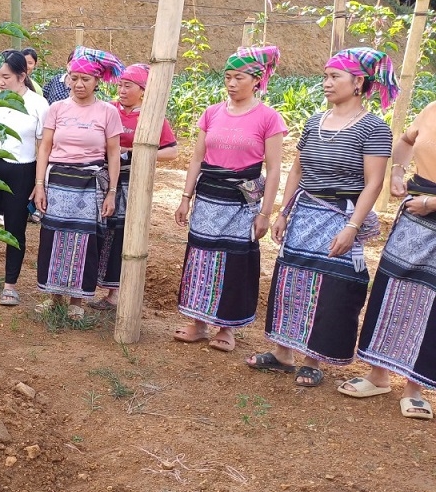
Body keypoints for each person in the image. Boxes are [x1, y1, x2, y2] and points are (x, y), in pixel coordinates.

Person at [248, 47, 396, 387]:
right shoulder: (315, 122)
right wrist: (284, 212)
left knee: (329, 286)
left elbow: (373, 184)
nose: (326, 83)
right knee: (291, 281)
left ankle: (314, 358)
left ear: (358, 82)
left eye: (334, 77)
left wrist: (352, 227)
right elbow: (297, 169)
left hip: (339, 216)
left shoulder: (374, 128)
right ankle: (284, 353)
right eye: (325, 77)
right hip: (303, 214)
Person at [174, 47, 286, 352]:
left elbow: (274, 169)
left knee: (234, 260)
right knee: (200, 257)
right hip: (208, 198)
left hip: (242, 204)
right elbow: (197, 158)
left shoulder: (268, 118)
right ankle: (198, 323)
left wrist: (265, 212)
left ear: (257, 80)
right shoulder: (212, 113)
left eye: (239, 77)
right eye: (228, 77)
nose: (232, 83)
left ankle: (226, 327)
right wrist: (186, 197)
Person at [348, 101, 436, 419]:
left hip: (427, 206)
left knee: (431, 302)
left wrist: (430, 202)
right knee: (391, 289)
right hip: (415, 214)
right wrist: (398, 171)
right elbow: (407, 141)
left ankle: (415, 387)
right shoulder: (432, 109)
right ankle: (378, 374)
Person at [32, 47, 123, 320]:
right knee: (54, 237)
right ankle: (54, 295)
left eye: (85, 79)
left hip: (89, 183)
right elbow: (45, 147)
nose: (79, 84)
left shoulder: (108, 112)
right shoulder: (57, 109)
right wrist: (40, 184)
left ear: (97, 81)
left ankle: (78, 301)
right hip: (59, 181)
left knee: (85, 240)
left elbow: (114, 154)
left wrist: (112, 192)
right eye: (74, 78)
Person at [93, 63, 178, 309]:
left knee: (123, 233)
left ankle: (116, 292)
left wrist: (135, 152)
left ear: (142, 90)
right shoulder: (109, 109)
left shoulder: (152, 117)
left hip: (133, 182)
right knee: (103, 229)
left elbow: (172, 151)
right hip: (105, 178)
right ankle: (95, 283)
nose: (121, 90)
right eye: (120, 84)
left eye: (127, 86)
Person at [0, 51, 49, 306]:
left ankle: (10, 284)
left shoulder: (38, 104)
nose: (0, 81)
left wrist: (39, 184)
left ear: (22, 76)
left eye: (6, 77)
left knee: (15, 229)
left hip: (21, 172)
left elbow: (41, 145)